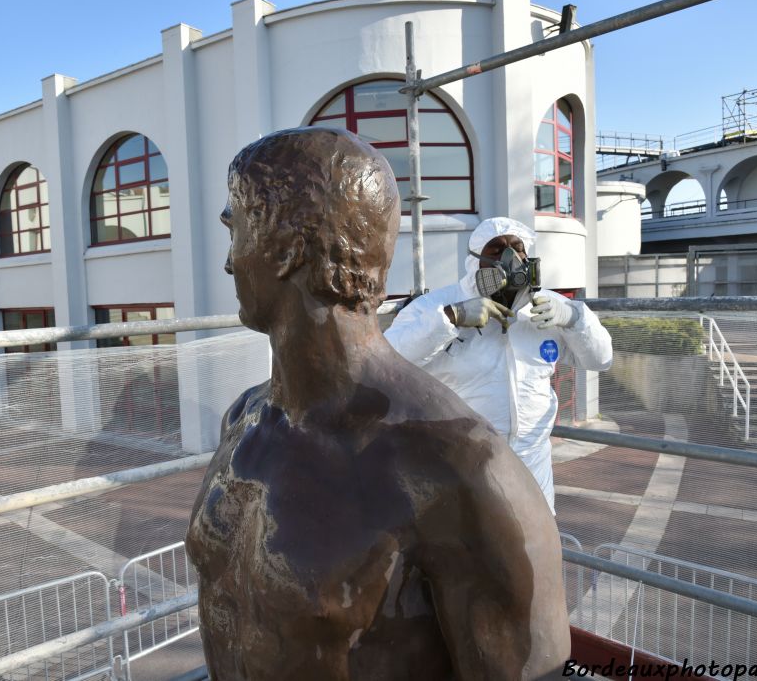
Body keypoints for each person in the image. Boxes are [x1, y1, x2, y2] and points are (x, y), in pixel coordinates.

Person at [185, 127, 570, 680]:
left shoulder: (460, 470)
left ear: (290, 248)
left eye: (236, 231)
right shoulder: (244, 420)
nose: (228, 263)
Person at [385, 217, 613, 514]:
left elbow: (601, 358)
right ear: (474, 262)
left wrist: (574, 317)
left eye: (517, 248)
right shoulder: (438, 307)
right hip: (463, 467)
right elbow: (389, 357)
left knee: (534, 550)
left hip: (532, 465)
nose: (510, 259)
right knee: (470, 549)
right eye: (496, 250)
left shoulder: (547, 308)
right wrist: (451, 319)